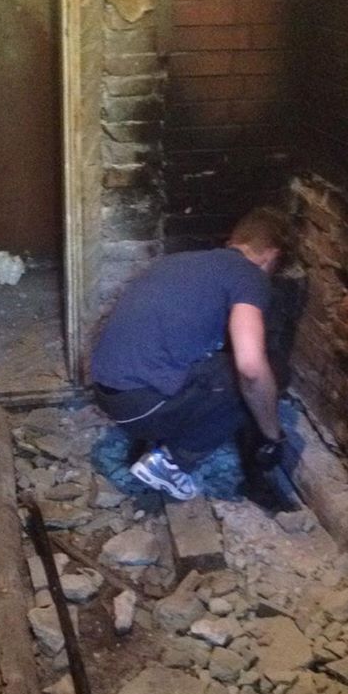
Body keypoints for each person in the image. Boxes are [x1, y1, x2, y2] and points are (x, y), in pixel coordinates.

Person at [91, 206, 290, 500]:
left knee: (218, 366)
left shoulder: (178, 261)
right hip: (141, 407)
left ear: (232, 242)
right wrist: (272, 435)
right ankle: (171, 462)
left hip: (106, 392)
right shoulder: (250, 275)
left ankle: (154, 436)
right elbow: (251, 367)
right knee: (269, 370)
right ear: (270, 255)